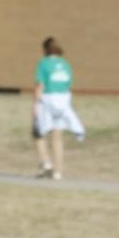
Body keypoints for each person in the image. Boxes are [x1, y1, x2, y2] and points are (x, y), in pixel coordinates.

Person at [33, 35, 85, 181]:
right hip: (63, 102)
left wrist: (35, 105)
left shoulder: (44, 64)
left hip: (47, 100)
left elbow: (40, 85)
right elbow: (68, 85)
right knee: (57, 136)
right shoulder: (65, 64)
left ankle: (45, 163)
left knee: (38, 132)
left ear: (45, 50)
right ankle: (58, 171)